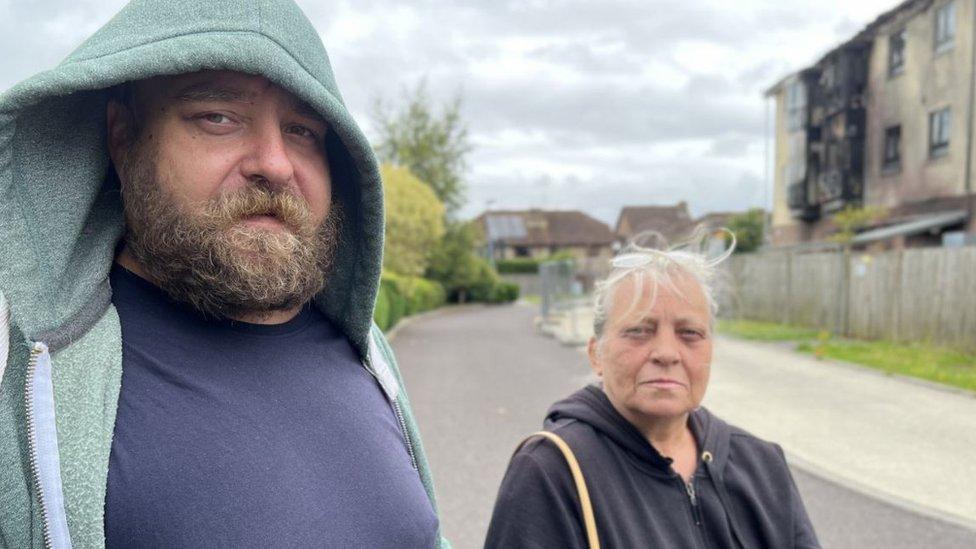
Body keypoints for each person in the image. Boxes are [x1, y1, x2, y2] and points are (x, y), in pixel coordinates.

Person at [0, 1, 448, 547]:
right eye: (218, 117)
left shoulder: (368, 351)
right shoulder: (19, 369)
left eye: (303, 130)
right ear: (123, 136)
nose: (276, 163)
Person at [485, 231, 820, 548]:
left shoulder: (762, 465)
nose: (666, 353)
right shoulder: (552, 472)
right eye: (639, 331)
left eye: (689, 333)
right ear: (596, 354)